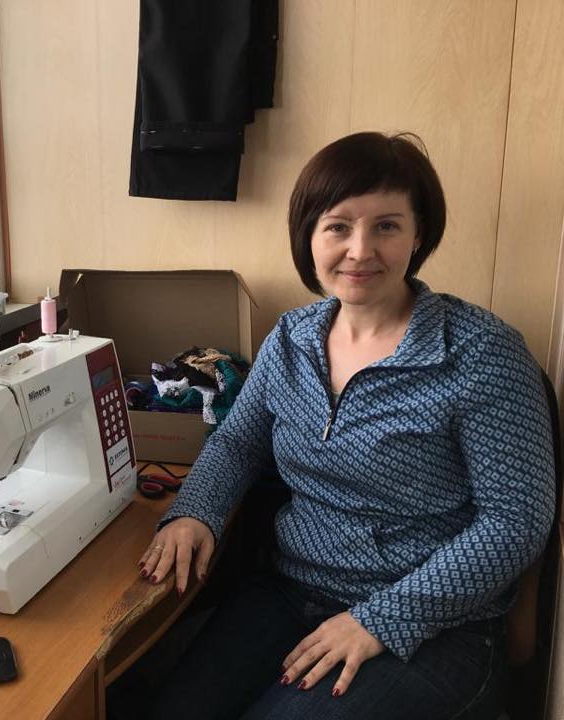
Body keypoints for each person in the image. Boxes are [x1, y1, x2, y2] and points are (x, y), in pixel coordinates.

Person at [109, 132, 556, 719]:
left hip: (440, 624)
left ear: (419, 234)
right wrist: (196, 511)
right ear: (310, 237)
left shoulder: (480, 352)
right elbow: (239, 442)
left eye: (387, 226)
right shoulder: (292, 339)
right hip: (294, 593)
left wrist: (383, 618)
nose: (360, 249)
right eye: (338, 226)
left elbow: (517, 520)